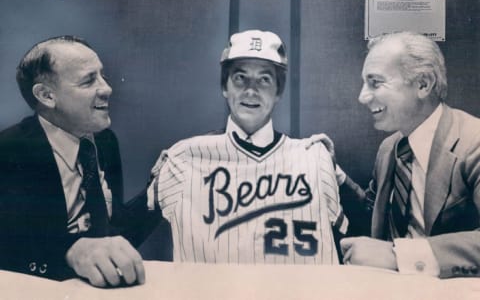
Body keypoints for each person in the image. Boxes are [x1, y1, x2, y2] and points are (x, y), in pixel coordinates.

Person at [147, 30, 347, 264]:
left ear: (278, 92)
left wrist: (335, 173)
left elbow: (362, 231)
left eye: (264, 79)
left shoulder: (313, 158)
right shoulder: (183, 159)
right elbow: (126, 230)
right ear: (225, 87)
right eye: (240, 78)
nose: (251, 90)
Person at [0, 36, 159, 287]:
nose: (107, 88)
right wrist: (70, 252)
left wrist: (157, 194)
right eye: (88, 80)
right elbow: (10, 248)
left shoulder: (105, 142)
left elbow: (111, 234)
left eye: (102, 76)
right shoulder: (9, 151)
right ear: (46, 95)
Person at [332, 31, 480, 278]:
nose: (362, 97)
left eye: (375, 82)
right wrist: (336, 176)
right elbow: (374, 215)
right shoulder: (389, 149)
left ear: (423, 84)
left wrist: (398, 256)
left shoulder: (473, 142)